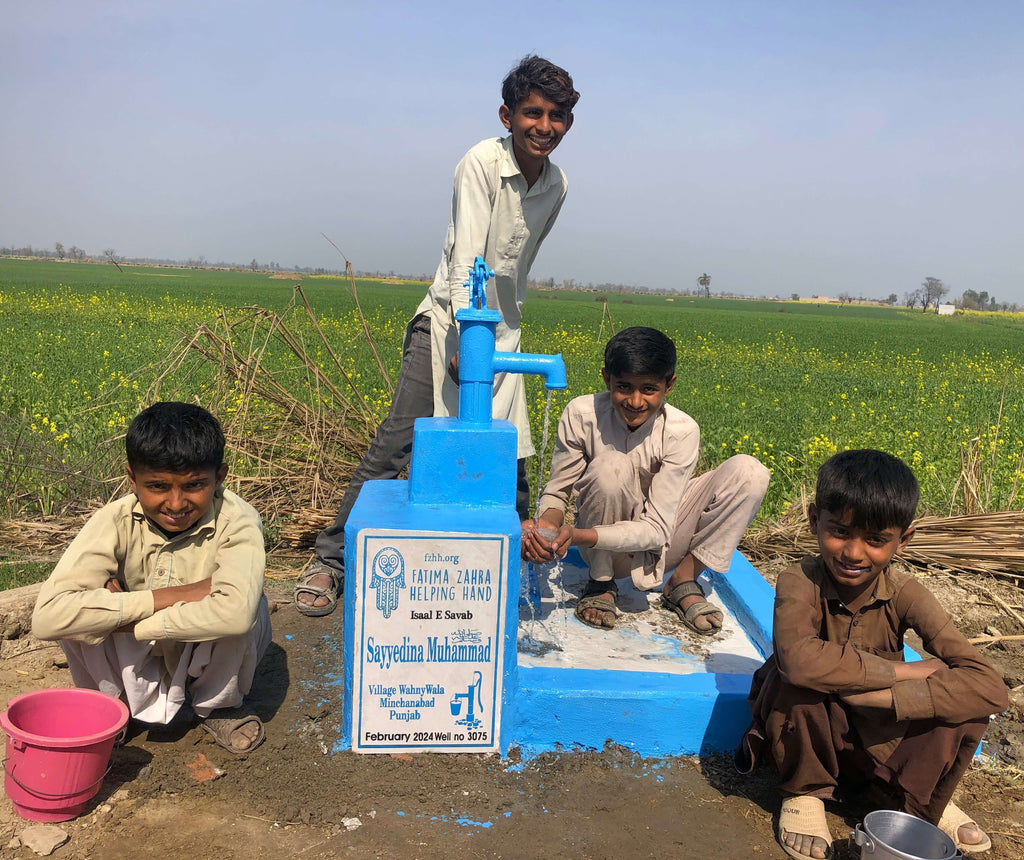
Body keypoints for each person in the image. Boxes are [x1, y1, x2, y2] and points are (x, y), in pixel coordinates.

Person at [295, 54, 580, 616]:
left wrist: (498, 336)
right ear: (508, 114)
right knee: (397, 444)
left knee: (511, 455)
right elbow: (468, 254)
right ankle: (331, 562)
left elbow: (518, 269)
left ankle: (509, 575)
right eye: (533, 112)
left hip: (503, 330)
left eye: (558, 116)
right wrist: (463, 339)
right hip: (449, 323)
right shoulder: (479, 162)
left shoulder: (557, 185)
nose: (544, 127)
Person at [735, 449, 1008, 859]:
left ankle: (916, 794)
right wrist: (901, 673)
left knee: (965, 707)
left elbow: (990, 688)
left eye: (876, 539)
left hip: (874, 739)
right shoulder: (800, 581)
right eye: (840, 532)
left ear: (904, 539)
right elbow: (799, 659)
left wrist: (887, 697)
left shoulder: (906, 593)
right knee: (793, 680)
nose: (854, 553)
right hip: (814, 731)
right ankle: (805, 792)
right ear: (814, 521)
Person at [32, 402, 271, 755]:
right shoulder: (112, 520)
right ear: (131, 479)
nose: (176, 503)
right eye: (157, 486)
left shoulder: (237, 520)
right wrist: (178, 595)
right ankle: (112, 708)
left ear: (220, 477)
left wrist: (127, 618)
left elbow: (233, 614)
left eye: (195, 485)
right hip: (146, 645)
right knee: (78, 614)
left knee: (247, 614)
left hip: (197, 641)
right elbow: (47, 617)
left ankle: (218, 705)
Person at [521, 326, 770, 634]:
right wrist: (547, 525)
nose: (635, 401)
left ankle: (683, 580)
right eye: (624, 387)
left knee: (749, 472)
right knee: (612, 466)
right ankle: (601, 583)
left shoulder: (681, 430)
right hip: (605, 549)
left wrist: (576, 534)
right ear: (606, 379)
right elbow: (558, 493)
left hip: (661, 537)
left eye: (649, 389)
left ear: (669, 385)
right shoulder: (582, 414)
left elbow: (657, 530)